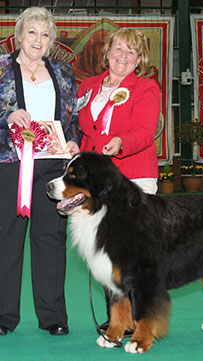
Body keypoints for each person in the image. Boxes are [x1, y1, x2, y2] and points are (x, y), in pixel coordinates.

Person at [0, 7, 81, 336]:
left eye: (45, 34)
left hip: (54, 164)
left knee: (51, 238)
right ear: (18, 36)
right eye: (32, 32)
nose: (38, 39)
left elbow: (71, 118)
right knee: (8, 238)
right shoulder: (2, 68)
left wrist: (74, 142)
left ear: (51, 41)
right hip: (11, 163)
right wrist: (7, 117)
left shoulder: (62, 72)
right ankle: (4, 317)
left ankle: (54, 317)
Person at [77, 27, 161, 332]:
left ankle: (140, 318)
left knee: (135, 255)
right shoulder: (87, 86)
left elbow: (145, 131)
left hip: (134, 175)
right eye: (119, 49)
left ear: (139, 59)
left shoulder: (146, 88)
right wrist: (76, 146)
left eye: (131, 52)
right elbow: (82, 127)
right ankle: (118, 318)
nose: (123, 56)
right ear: (107, 53)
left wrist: (121, 142)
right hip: (97, 183)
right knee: (104, 249)